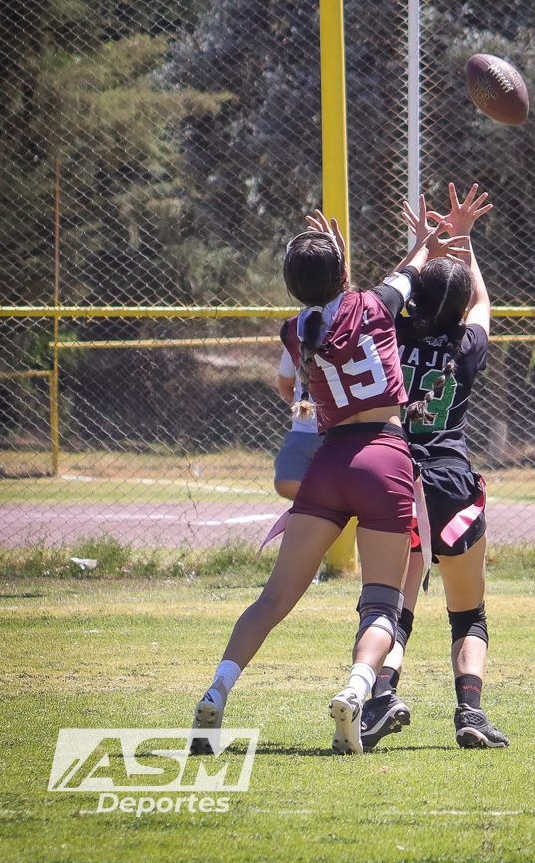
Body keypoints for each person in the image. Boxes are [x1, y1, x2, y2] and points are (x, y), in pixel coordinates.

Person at [190, 202, 466, 755]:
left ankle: (218, 688)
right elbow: (405, 276)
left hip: (328, 462)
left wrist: (335, 265)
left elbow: (318, 337)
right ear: (343, 273)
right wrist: (425, 243)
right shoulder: (374, 304)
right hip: (383, 458)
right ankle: (356, 689)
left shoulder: (296, 329)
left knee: (273, 597)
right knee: (382, 603)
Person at [360, 183, 509, 751]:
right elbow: (481, 302)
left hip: (398, 479)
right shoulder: (465, 346)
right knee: (468, 611)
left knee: (395, 606)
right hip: (450, 483)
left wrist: (422, 247)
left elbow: (384, 299)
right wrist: (463, 238)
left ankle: (381, 697)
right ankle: (469, 712)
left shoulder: (389, 335)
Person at [273, 348, 322, 501]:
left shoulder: (348, 339)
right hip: (302, 431)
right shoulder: (294, 341)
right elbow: (285, 385)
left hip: (338, 432)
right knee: (286, 482)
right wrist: (303, 411)